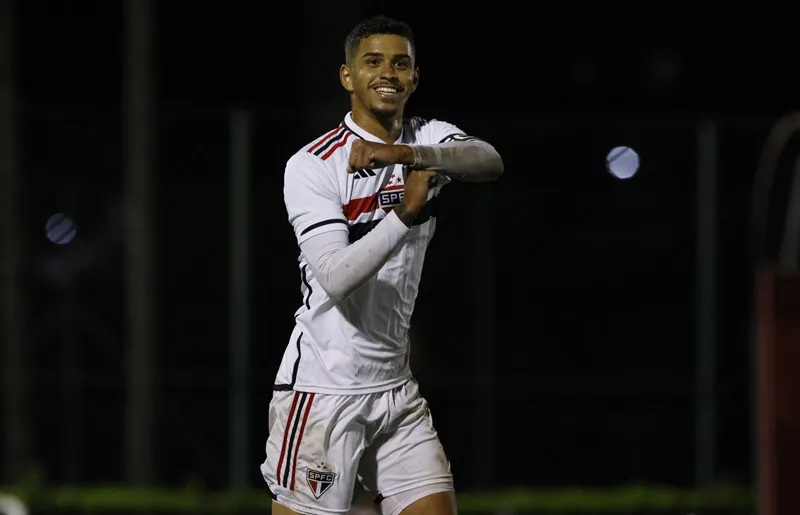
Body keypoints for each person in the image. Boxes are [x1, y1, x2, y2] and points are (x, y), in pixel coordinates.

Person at [260, 14, 504, 515]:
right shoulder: (312, 164)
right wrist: (405, 210)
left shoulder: (426, 138)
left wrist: (404, 154)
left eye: (400, 63)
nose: (387, 73)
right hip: (323, 391)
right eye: (372, 62)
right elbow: (335, 276)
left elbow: (488, 161)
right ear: (347, 76)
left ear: (415, 77)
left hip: (395, 388)